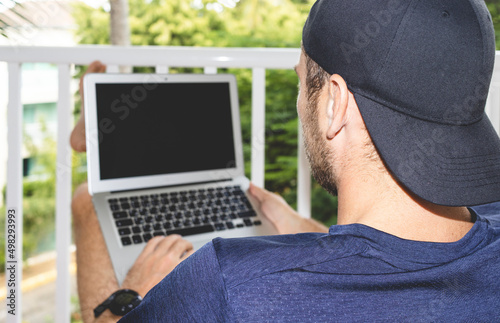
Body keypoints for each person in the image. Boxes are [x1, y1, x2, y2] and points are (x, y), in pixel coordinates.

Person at [71, 0, 500, 321]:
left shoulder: (233, 285)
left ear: (334, 102)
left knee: (84, 201)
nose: (299, 101)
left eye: (301, 82)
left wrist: (130, 295)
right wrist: (303, 229)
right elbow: (391, 257)